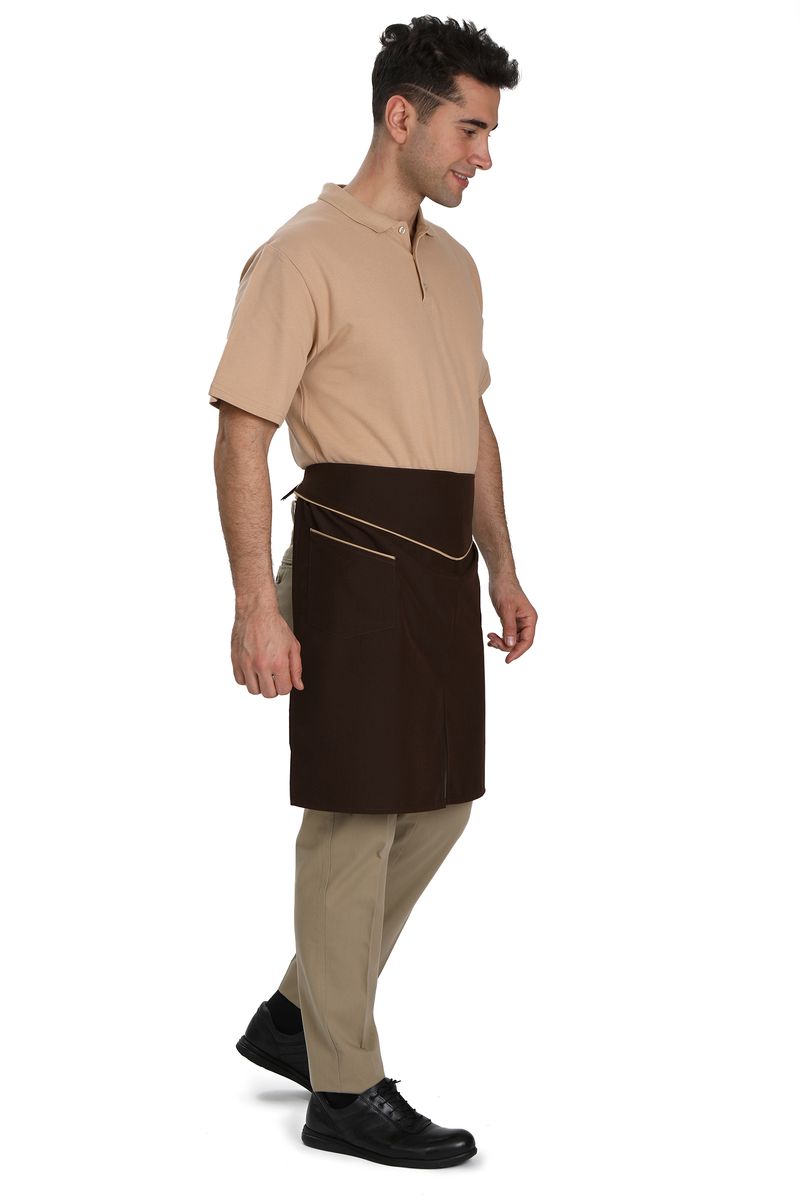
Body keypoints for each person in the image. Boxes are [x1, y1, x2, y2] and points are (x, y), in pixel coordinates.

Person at [207, 16, 536, 1169]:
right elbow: (242, 431)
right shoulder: (299, 253)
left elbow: (469, 421)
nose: (483, 156)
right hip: (348, 552)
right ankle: (343, 1090)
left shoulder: (454, 265)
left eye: (488, 134)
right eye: (470, 130)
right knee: (353, 815)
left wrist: (503, 562)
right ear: (401, 118)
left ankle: (298, 1016)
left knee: (438, 803)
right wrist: (255, 605)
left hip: (441, 561)